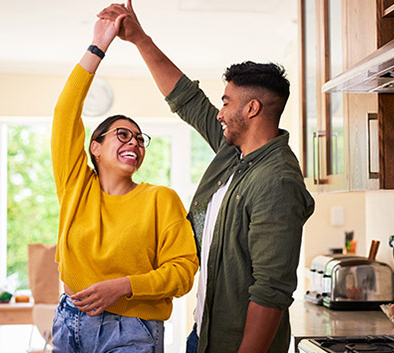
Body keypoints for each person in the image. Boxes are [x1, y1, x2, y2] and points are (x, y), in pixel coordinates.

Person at [99, 2, 315, 353]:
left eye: (226, 102)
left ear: (252, 109)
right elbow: (187, 99)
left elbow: (271, 292)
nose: (220, 112)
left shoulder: (277, 182)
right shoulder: (235, 153)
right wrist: (140, 39)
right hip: (204, 334)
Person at [50, 14, 199, 353]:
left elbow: (183, 272)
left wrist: (123, 286)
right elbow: (64, 114)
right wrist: (98, 45)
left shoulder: (160, 199)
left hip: (132, 330)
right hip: (69, 321)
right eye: (122, 135)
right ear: (95, 147)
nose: (134, 142)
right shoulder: (76, 187)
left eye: (139, 138)